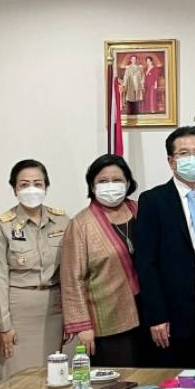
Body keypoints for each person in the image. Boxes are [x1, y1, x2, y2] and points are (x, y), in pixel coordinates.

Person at [136, 126, 195, 368]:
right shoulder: (153, 201)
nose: (192, 158)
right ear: (171, 161)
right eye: (183, 153)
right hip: (170, 314)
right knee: (170, 383)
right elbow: (146, 264)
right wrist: (156, 316)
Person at [61, 154, 147, 367]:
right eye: (103, 181)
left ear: (128, 182)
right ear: (92, 185)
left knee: (152, 377)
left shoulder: (144, 211)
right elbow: (72, 279)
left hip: (149, 315)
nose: (111, 186)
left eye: (117, 180)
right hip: (108, 320)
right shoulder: (81, 224)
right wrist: (82, 326)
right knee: (119, 379)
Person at [0, 159, 69, 381]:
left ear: (46, 186)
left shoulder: (62, 221)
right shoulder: (2, 225)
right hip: (17, 309)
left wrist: (71, 317)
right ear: (14, 188)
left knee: (50, 377)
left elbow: (70, 272)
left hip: (54, 310)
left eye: (38, 183)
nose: (31, 189)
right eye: (24, 184)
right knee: (15, 380)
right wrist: (4, 325)